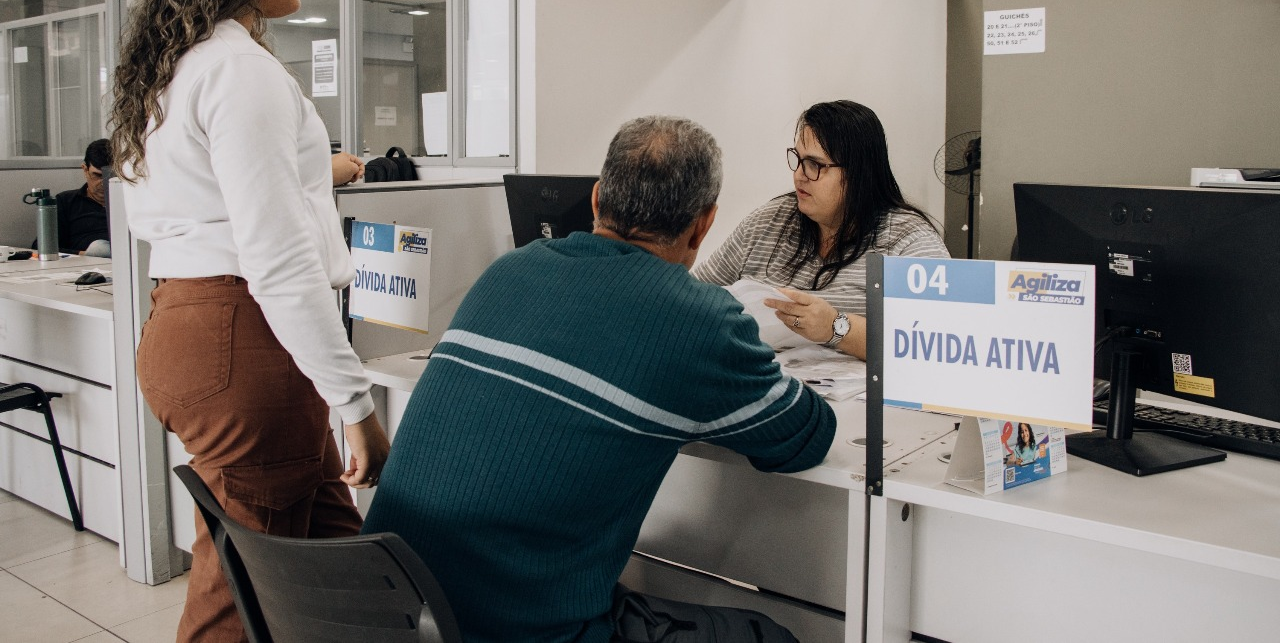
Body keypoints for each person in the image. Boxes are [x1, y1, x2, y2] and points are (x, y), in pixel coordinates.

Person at [363, 116, 836, 643]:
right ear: (704, 225)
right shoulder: (698, 320)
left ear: (595, 201)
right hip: (522, 631)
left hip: (382, 612)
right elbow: (805, 437)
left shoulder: (508, 271)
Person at [109, 0, 389, 643]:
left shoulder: (174, 68)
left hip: (186, 326)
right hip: (245, 341)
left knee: (341, 560)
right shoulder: (242, 71)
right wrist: (357, 406)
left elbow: (168, 214)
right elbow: (277, 260)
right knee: (236, 592)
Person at [694, 100, 949, 359]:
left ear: (858, 174)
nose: (799, 175)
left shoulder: (907, 240)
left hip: (856, 398)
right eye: (798, 159)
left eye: (815, 165)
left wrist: (835, 328)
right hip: (766, 386)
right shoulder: (769, 221)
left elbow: (938, 341)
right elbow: (692, 293)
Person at [45, 139, 112, 256]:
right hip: (82, 262)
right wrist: (84, 254)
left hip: (123, 260)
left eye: (110, 175)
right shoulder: (66, 201)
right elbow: (44, 247)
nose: (103, 182)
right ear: (85, 169)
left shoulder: (130, 202)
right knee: (99, 248)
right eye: (97, 175)